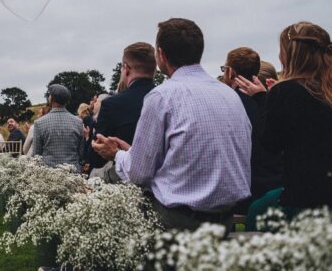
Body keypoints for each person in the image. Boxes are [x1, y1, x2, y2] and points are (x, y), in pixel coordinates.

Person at [93, 18, 252, 231]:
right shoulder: (230, 95)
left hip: (178, 220)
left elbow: (138, 174)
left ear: (161, 55)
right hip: (225, 218)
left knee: (102, 180)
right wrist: (131, 152)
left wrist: (116, 154)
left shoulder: (162, 96)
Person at [234, 22, 332, 211]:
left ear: (289, 55)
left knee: (256, 211)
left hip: (309, 203)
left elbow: (270, 143)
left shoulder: (286, 92)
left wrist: (263, 99)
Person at [222, 47, 283, 203]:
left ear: (231, 73)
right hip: (274, 184)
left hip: (242, 188)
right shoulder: (270, 101)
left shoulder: (226, 103)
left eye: (224, 69)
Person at [89, 43, 157, 169]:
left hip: (124, 179)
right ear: (154, 68)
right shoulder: (168, 100)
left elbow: (97, 158)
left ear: (126, 68)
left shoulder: (112, 104)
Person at [33, 84, 84, 171]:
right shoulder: (78, 122)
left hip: (49, 174)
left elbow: (36, 155)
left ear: (51, 98)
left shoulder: (39, 123)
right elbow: (81, 152)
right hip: (73, 174)